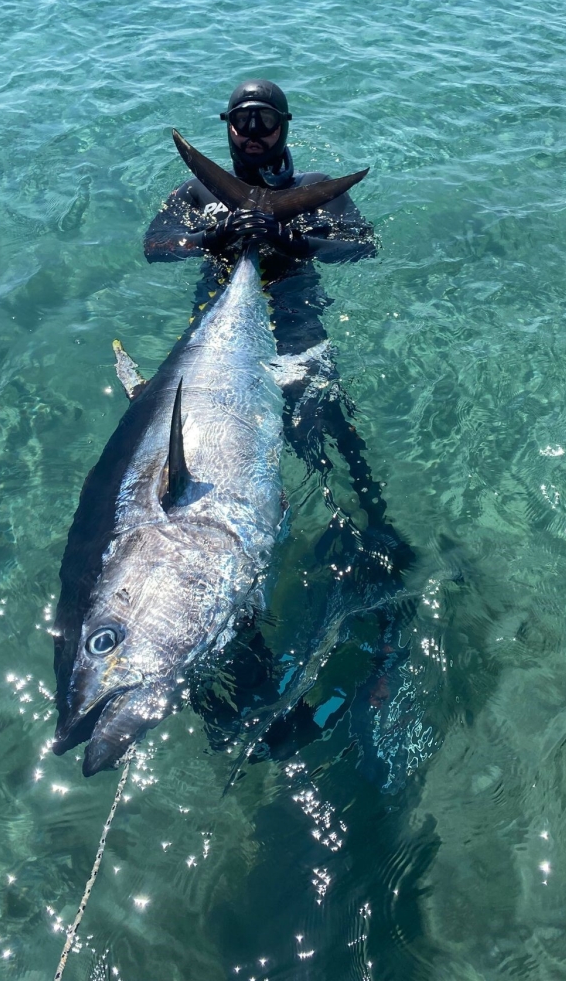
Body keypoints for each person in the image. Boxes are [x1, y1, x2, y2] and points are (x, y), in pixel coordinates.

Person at [145, 80, 417, 785]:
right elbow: (157, 246)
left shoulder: (320, 191)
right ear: (228, 130)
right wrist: (216, 231)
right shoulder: (197, 197)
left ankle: (382, 560)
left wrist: (298, 230)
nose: (253, 134)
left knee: (333, 451)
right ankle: (239, 652)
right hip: (218, 354)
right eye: (241, 122)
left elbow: (360, 245)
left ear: (286, 126)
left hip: (295, 342)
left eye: (265, 121)